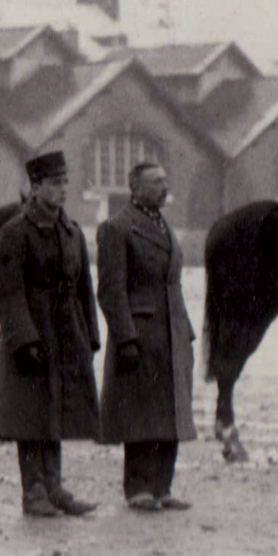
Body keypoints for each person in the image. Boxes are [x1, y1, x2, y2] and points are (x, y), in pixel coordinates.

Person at [0, 151, 100, 518]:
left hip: (66, 333)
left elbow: (84, 288)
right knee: (30, 414)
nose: (62, 190)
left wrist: (90, 336)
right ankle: (33, 490)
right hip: (32, 337)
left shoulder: (72, 231)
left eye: (65, 182)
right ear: (35, 188)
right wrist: (25, 340)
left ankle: (54, 486)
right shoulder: (14, 233)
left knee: (56, 411)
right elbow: (6, 292)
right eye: (54, 183)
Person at [95, 162, 198, 512]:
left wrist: (186, 330)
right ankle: (138, 488)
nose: (163, 187)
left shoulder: (164, 226)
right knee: (140, 413)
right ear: (134, 187)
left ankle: (162, 486)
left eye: (165, 181)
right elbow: (110, 290)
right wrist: (125, 337)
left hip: (172, 332)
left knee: (171, 411)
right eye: (155, 182)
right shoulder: (117, 228)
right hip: (140, 336)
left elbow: (174, 283)